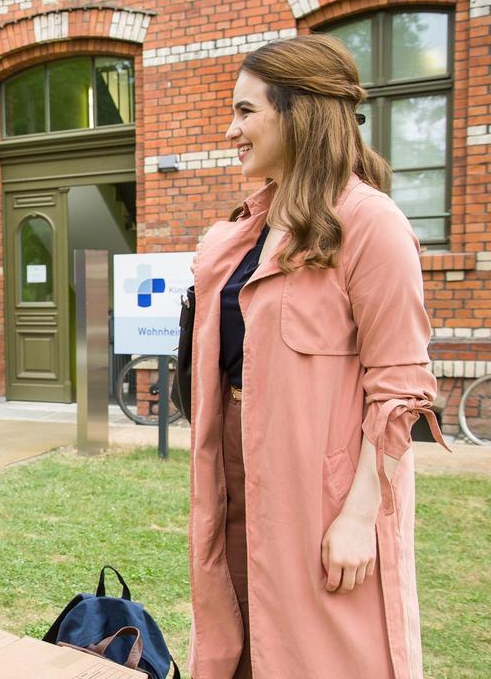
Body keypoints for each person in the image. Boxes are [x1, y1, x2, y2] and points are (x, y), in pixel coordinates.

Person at [185, 34, 445, 679]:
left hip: (322, 487)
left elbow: (399, 388)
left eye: (247, 112)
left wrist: (360, 515)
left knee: (324, 654)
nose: (230, 129)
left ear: (297, 113)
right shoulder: (244, 230)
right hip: (238, 467)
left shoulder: (371, 224)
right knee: (241, 631)